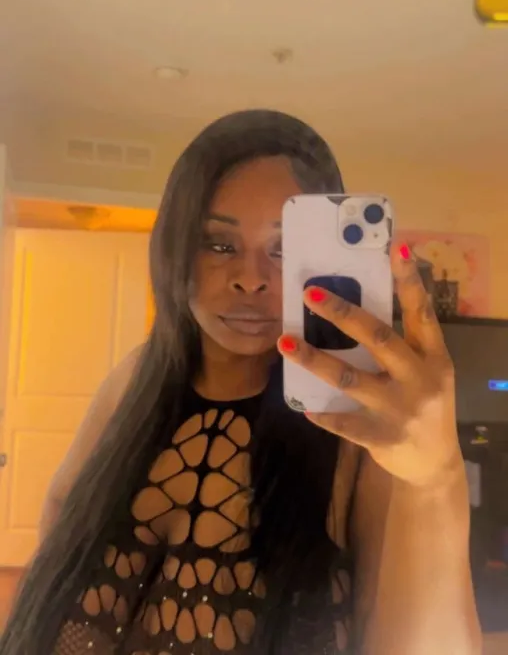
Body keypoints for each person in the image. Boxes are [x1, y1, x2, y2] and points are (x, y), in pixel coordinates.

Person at [1, 110, 481, 655]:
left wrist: (435, 480)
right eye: (218, 243)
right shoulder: (132, 380)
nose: (251, 278)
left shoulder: (359, 425)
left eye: (284, 248)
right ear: (176, 248)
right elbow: (58, 529)